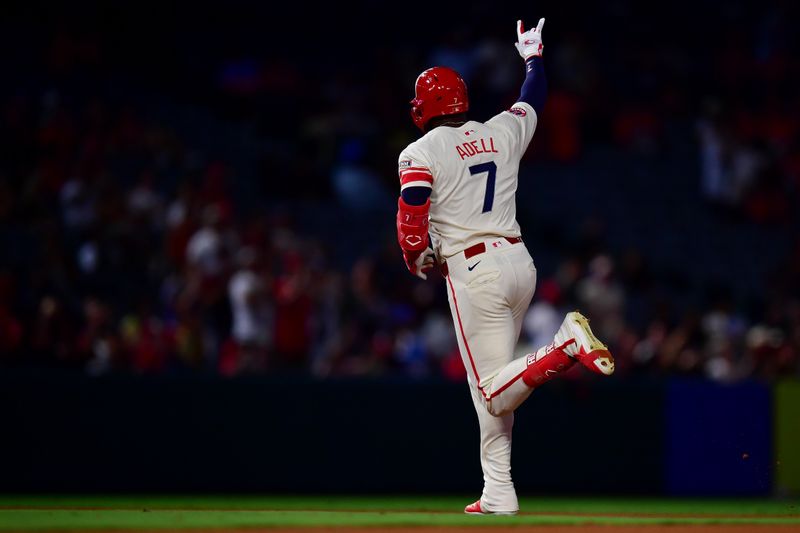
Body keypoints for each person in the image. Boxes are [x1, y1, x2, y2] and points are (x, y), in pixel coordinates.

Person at [395, 17, 615, 515]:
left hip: (476, 272)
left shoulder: (420, 150)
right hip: (520, 263)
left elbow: (412, 220)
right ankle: (498, 490)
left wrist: (414, 255)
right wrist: (533, 57)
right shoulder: (499, 130)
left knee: (492, 394)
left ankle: (564, 346)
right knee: (493, 388)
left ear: (424, 107)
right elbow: (533, 98)